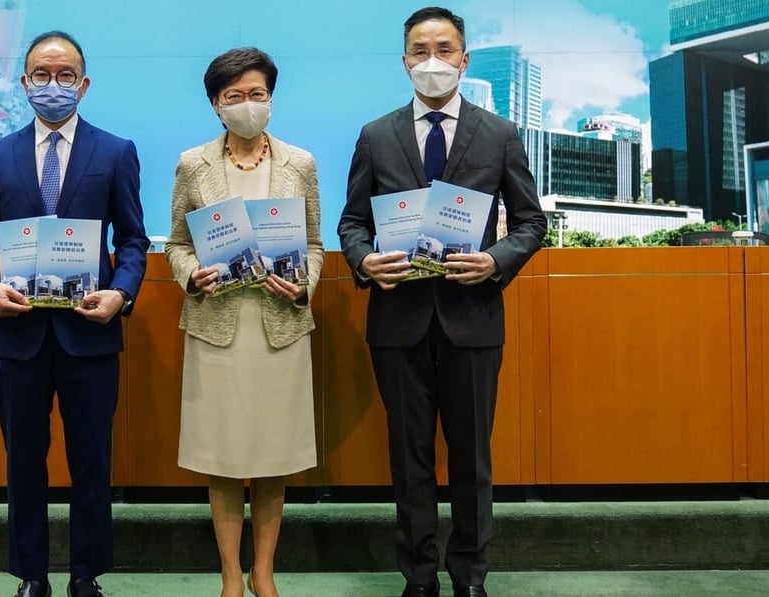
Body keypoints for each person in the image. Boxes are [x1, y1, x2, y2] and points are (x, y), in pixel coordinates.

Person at [336, 7, 547, 597]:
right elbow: (352, 224)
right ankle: (419, 576)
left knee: (472, 459)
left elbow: (531, 223)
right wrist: (362, 260)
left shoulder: (500, 133)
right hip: (398, 320)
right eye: (421, 51)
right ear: (405, 61)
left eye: (444, 49)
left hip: (473, 318)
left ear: (464, 59)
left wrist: (496, 260)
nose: (433, 61)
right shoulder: (376, 135)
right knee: (409, 460)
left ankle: (471, 576)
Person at [0, 30, 149, 597]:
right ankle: (31, 575)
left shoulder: (116, 152)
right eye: (41, 75)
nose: (53, 85)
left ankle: (86, 574)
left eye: (65, 75)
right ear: (24, 84)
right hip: (17, 336)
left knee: (92, 461)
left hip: (89, 336)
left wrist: (122, 293)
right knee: (24, 463)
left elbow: (135, 242)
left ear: (83, 84)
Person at [165, 47, 323, 597]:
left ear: (271, 100)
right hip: (217, 326)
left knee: (274, 455)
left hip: (280, 327)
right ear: (216, 104)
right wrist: (191, 275)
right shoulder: (192, 164)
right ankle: (231, 573)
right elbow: (178, 245)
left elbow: (315, 245)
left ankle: (264, 571)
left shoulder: (300, 163)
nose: (247, 105)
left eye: (257, 94)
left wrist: (305, 284)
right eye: (234, 96)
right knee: (225, 456)